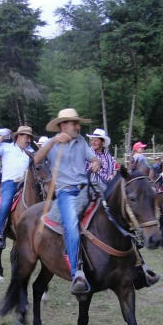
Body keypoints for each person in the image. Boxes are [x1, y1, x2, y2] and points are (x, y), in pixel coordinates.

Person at [34, 108, 100, 295]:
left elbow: (94, 158)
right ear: (63, 126)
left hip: (86, 188)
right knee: (71, 225)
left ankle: (135, 261)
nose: (78, 127)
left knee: (113, 204)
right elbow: (37, 160)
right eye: (74, 124)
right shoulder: (50, 143)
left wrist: (96, 163)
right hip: (66, 193)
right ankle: (77, 272)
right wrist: (53, 141)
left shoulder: (81, 141)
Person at [0, 126, 35, 250]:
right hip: (10, 183)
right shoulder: (6, 147)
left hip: (26, 183)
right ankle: (0, 234)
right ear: (18, 137)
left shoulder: (30, 151)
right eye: (26, 136)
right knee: (6, 203)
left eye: (30, 137)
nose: (29, 139)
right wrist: (1, 137)